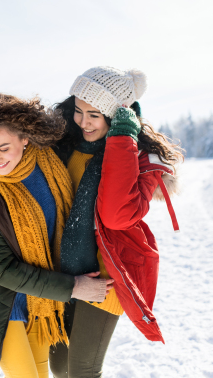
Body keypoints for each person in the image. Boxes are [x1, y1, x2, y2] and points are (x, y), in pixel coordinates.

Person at [0, 93, 114, 378]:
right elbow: (0, 270)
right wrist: (73, 287)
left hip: (39, 298)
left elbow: (91, 124)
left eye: (3, 148)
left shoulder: (48, 159)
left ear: (25, 138)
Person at [49, 66, 184, 378]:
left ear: (116, 115)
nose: (82, 122)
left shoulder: (142, 159)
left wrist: (123, 138)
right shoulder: (65, 144)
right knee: (58, 365)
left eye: (94, 114)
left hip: (107, 273)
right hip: (62, 267)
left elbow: (116, 214)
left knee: (82, 369)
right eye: (78, 110)